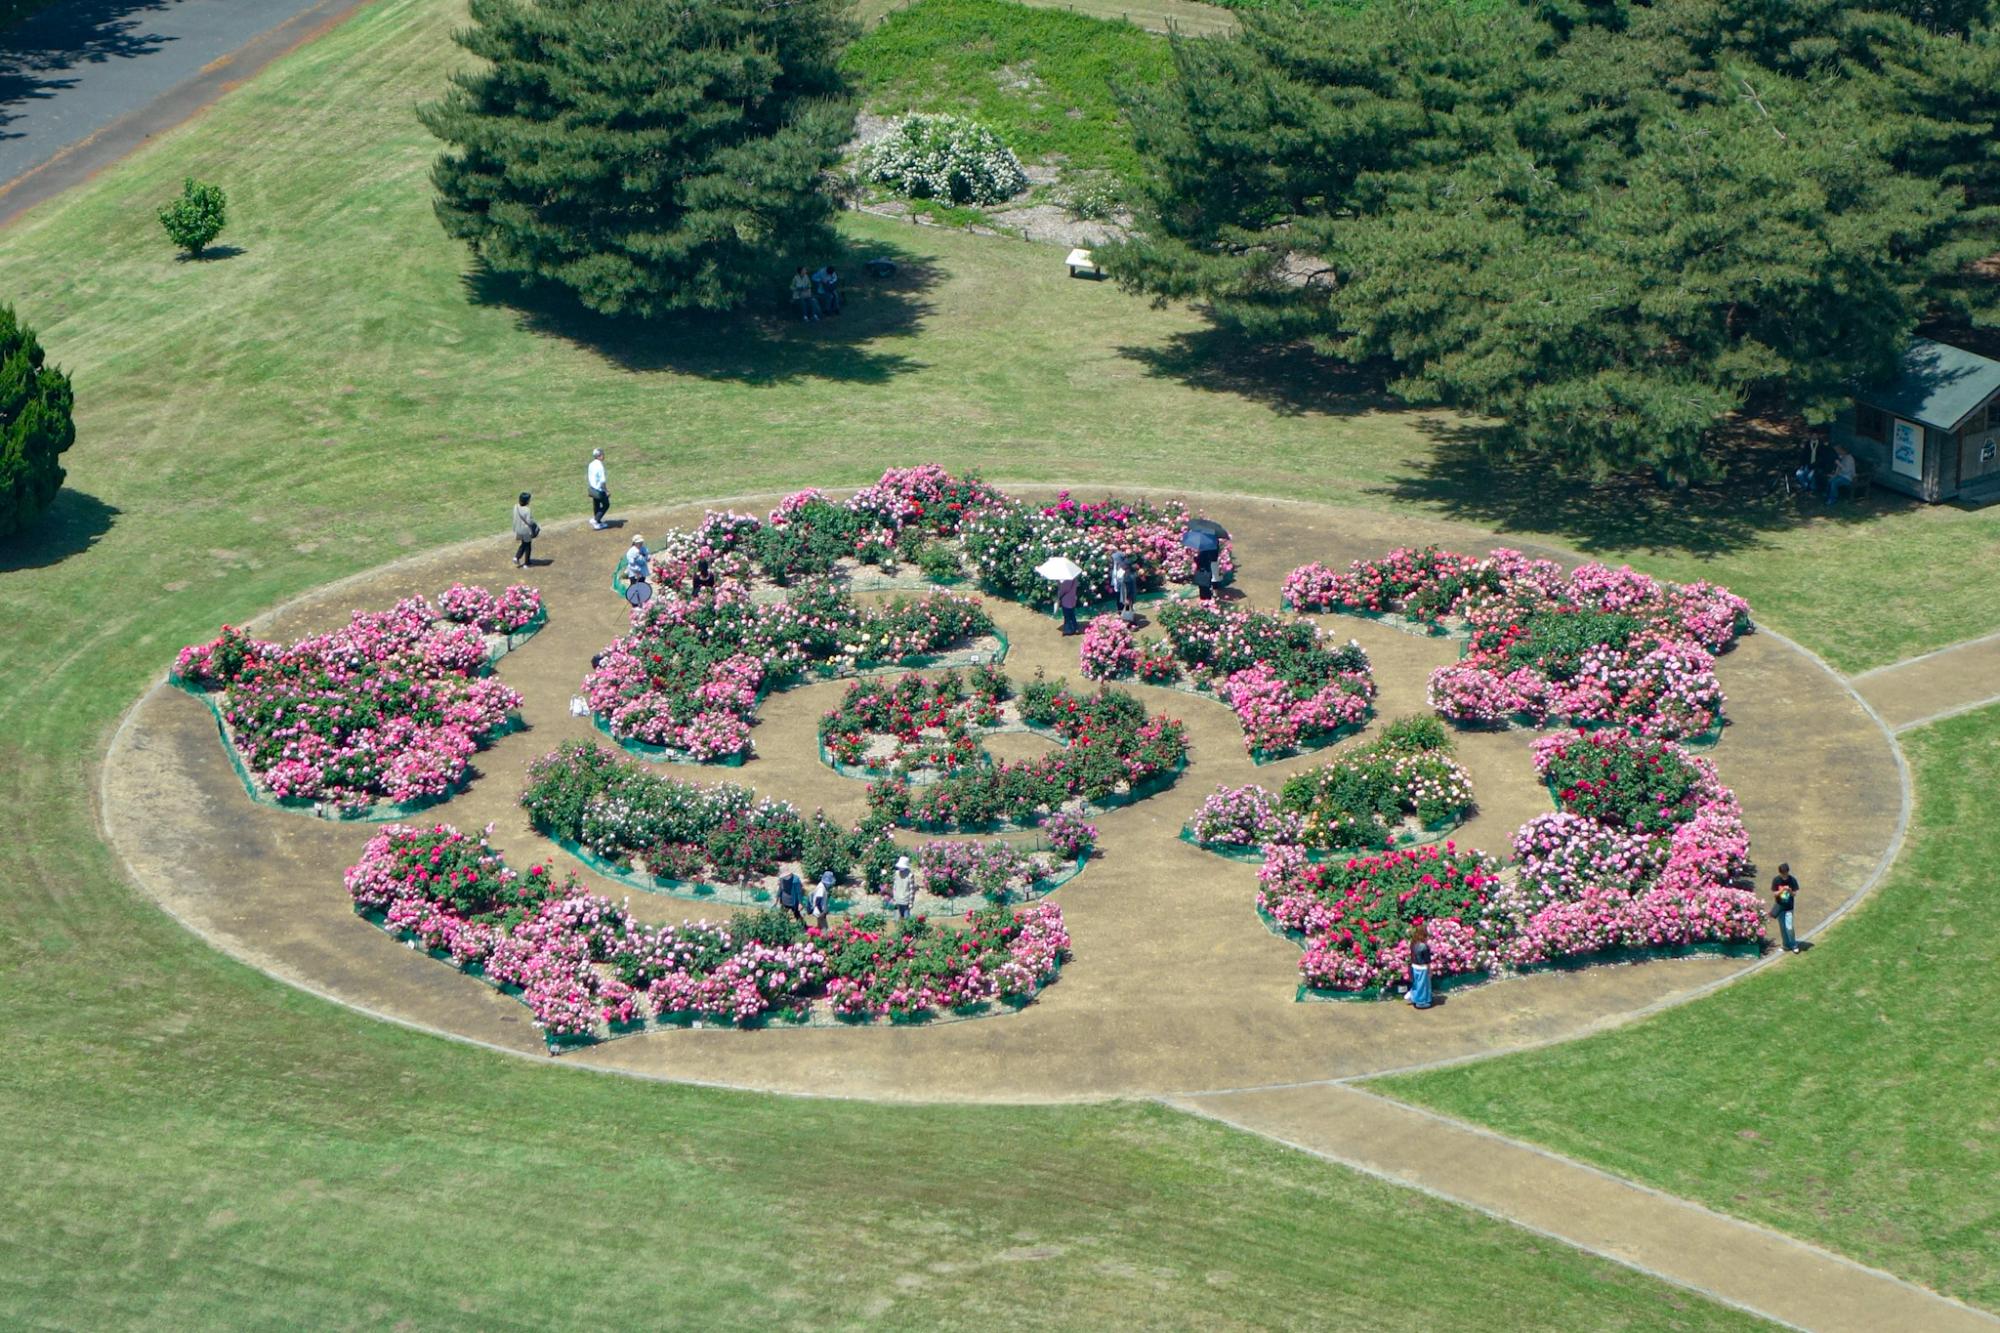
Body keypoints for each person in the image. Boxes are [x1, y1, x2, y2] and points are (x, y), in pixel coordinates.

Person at [1771, 863, 1800, 953]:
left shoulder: (1792, 880)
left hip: (1789, 907)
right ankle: (1786, 945)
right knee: (1783, 928)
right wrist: (1781, 890)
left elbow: (1794, 894)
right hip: (1780, 907)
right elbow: (1774, 894)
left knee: (1789, 927)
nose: (1784, 875)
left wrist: (1790, 891)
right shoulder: (1776, 880)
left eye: (1786, 873)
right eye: (1783, 873)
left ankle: (1794, 944)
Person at [1407, 919, 1434, 1010]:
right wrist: (1430, 970)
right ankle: (1421, 1003)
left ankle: (1415, 998)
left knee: (1417, 984)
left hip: (1414, 967)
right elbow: (1427, 960)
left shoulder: (1413, 943)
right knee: (1423, 986)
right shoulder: (1424, 946)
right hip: (1422, 968)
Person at [511, 491, 537, 568]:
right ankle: (526, 563)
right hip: (525, 530)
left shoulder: (515, 506)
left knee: (524, 543)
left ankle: (517, 557)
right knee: (528, 545)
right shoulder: (527, 510)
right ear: (527, 501)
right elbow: (529, 521)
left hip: (518, 528)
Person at [1110, 551, 1136, 619]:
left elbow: (1128, 587)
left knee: (1127, 607)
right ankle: (1126, 617)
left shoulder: (1128, 575)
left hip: (1127, 593)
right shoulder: (1126, 573)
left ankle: (1129, 620)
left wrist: (1127, 597)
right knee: (1126, 606)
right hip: (1124, 592)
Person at [890, 855, 917, 919]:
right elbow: (895, 887)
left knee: (906, 917)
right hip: (897, 899)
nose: (900, 868)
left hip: (905, 900)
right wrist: (894, 898)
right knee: (897, 918)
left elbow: (911, 890)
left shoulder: (910, 875)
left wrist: (911, 902)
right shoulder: (896, 873)